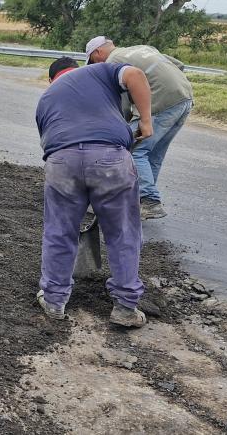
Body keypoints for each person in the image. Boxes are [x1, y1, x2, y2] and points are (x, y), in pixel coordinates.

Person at [35, 57, 153, 328]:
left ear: (53, 79)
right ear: (77, 70)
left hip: (61, 163)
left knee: (59, 231)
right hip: (110, 159)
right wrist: (145, 121)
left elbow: (50, 143)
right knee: (123, 231)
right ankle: (125, 307)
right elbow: (135, 74)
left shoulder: (46, 98)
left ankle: (54, 301)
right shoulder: (99, 71)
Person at [85, 36, 193, 219]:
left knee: (133, 151)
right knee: (152, 153)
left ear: (98, 52)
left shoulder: (111, 63)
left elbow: (123, 105)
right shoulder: (141, 48)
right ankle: (139, 201)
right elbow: (179, 66)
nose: (95, 65)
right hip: (184, 97)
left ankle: (149, 200)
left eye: (93, 61)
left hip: (161, 101)